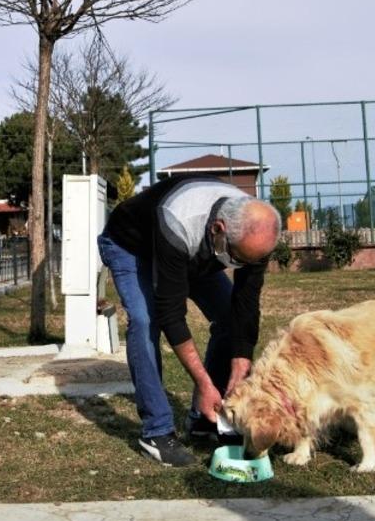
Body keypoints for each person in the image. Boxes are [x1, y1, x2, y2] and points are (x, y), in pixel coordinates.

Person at [97, 175, 281, 466]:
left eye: (248, 261)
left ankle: (203, 420)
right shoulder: (179, 219)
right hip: (131, 246)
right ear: (219, 229)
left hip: (192, 251)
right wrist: (204, 382)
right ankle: (156, 431)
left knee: (229, 320)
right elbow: (171, 313)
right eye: (235, 258)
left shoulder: (254, 232)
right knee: (145, 322)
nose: (239, 267)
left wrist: (240, 364)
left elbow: (245, 305)